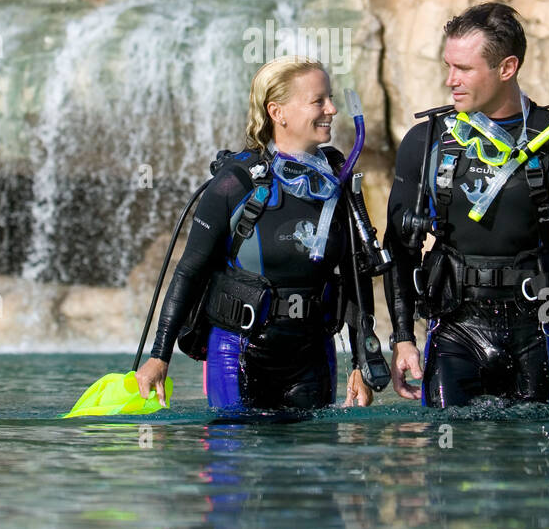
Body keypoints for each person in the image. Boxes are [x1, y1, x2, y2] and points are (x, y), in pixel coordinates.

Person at [384, 3, 549, 408]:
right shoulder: (426, 144)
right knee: (445, 449)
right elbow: (399, 248)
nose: (450, 80)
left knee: (535, 451)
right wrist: (403, 338)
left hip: (539, 327)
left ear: (507, 68)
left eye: (464, 68)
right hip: (455, 326)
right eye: (448, 65)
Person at [135, 58, 378, 411]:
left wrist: (361, 363)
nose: (332, 108)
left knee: (316, 459)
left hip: (312, 354)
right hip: (238, 352)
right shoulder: (236, 182)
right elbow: (190, 270)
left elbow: (356, 276)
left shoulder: (337, 181)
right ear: (278, 112)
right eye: (318, 100)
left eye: (330, 98)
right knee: (238, 455)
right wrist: (159, 357)